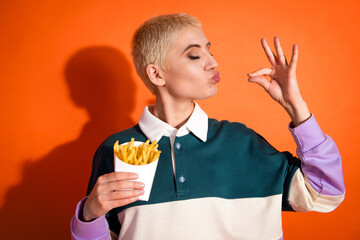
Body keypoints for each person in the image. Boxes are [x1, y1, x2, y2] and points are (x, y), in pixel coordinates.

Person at [70, 13, 345, 240]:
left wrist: (296, 107)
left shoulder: (243, 143)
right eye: (194, 56)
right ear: (156, 73)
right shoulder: (116, 151)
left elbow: (325, 195)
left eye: (209, 51)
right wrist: (89, 215)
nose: (213, 63)